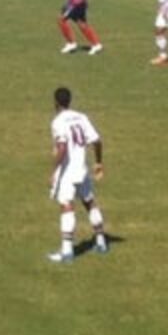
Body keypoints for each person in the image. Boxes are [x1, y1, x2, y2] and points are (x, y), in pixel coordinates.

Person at [48, 86, 108, 263]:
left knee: (67, 205)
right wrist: (98, 162)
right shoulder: (82, 117)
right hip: (82, 168)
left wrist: (53, 171)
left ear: (56, 102)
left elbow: (62, 147)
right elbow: (97, 141)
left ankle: (67, 252)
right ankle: (101, 241)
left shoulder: (58, 122)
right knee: (89, 201)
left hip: (67, 171)